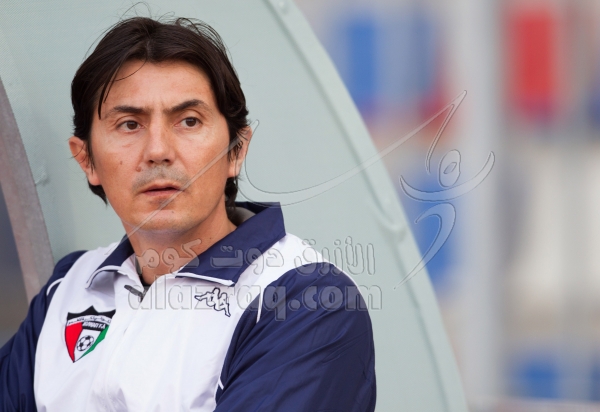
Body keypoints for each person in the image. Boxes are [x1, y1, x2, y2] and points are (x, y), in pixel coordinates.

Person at [0, 16, 376, 411]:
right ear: (86, 160)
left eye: (189, 121)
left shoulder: (306, 299)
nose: (158, 150)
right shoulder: (68, 286)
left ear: (236, 151)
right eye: (129, 124)